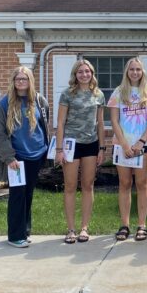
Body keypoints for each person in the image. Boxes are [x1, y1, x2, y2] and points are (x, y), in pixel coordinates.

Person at [0, 67, 49, 248]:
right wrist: (9, 157)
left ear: (30, 80)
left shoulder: (39, 101)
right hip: (17, 158)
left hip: (36, 155)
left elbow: (43, 126)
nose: (21, 82)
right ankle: (15, 236)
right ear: (13, 81)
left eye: (24, 79)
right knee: (17, 195)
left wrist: (47, 151)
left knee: (28, 194)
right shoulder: (5, 103)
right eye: (17, 79)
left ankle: (25, 230)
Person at [55, 60, 105, 244]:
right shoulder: (67, 94)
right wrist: (59, 149)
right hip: (70, 144)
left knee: (88, 186)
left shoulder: (98, 95)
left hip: (91, 144)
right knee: (69, 186)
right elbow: (60, 122)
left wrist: (102, 147)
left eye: (87, 71)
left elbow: (100, 123)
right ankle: (70, 229)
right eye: (80, 72)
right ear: (75, 75)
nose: (84, 75)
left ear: (92, 73)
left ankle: (84, 228)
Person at [107, 57, 147, 242]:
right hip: (122, 145)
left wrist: (140, 142)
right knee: (124, 183)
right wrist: (125, 144)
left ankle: (142, 224)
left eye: (138, 69)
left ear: (142, 72)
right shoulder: (118, 93)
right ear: (126, 72)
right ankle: (125, 224)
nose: (135, 72)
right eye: (131, 69)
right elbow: (113, 120)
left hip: (143, 145)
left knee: (142, 184)